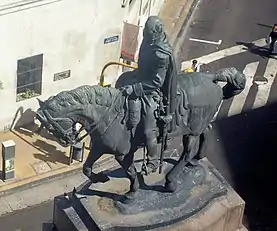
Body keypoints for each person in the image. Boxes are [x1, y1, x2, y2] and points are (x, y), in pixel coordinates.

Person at [122, 16, 178, 173]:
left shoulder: (162, 54)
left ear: (156, 32)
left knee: (148, 130)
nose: (145, 36)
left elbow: (156, 82)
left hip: (151, 90)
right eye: (145, 32)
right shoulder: (149, 40)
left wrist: (135, 89)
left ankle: (152, 161)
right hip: (140, 78)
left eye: (148, 33)